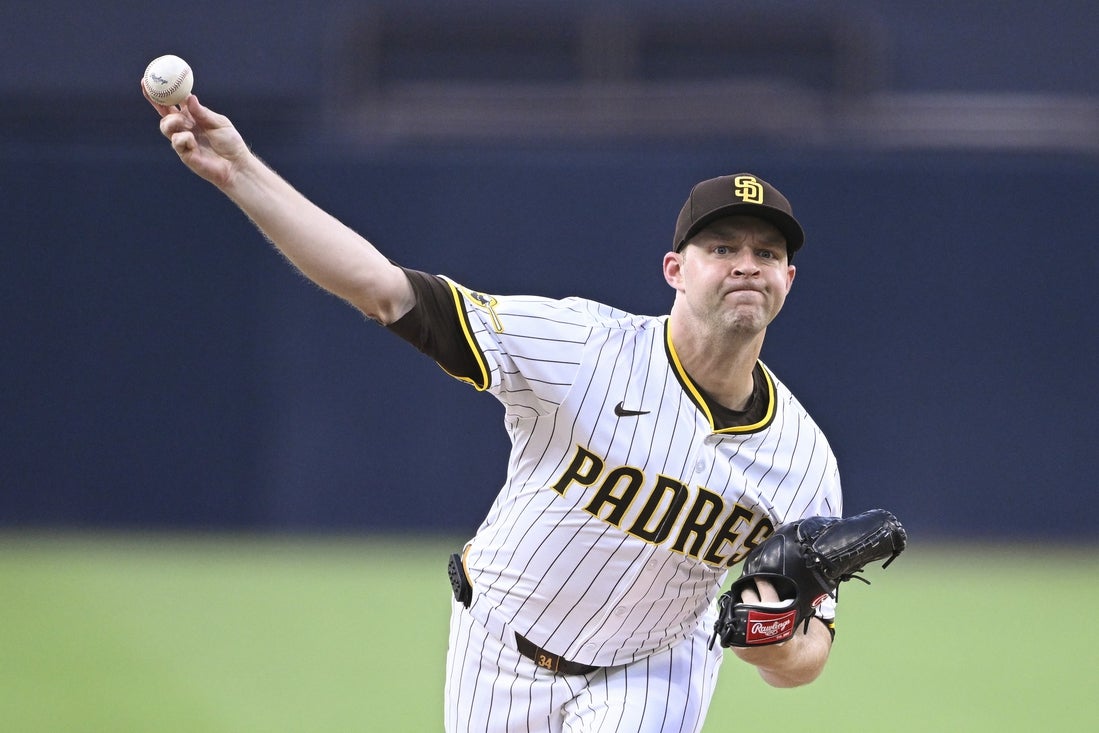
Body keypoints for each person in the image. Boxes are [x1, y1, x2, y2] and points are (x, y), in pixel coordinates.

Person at [145, 88, 841, 732]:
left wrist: (773, 640)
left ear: (788, 279)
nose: (746, 264)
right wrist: (242, 172)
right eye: (722, 248)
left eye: (766, 252)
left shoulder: (802, 459)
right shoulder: (580, 347)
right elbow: (384, 290)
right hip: (500, 644)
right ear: (675, 270)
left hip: (655, 665)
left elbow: (807, 658)